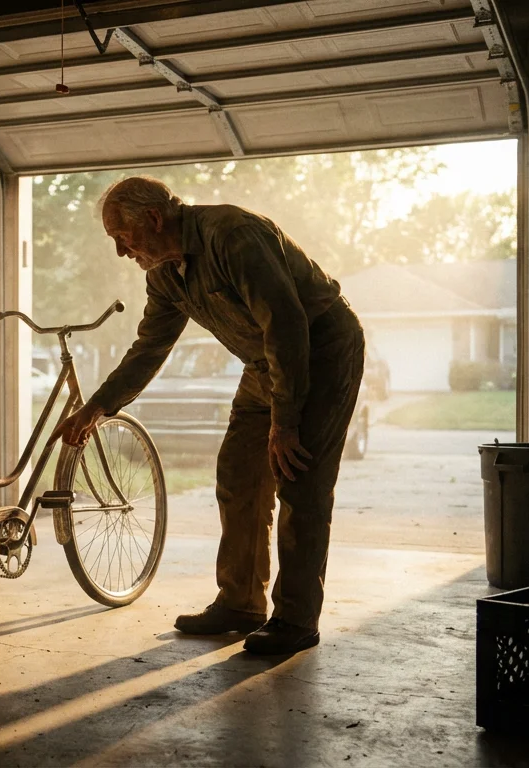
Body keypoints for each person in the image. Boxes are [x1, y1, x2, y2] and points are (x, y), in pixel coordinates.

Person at [54, 177, 366, 656]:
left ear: (155, 219)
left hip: (320, 350)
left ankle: (296, 620)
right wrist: (96, 407)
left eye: (123, 237)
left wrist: (285, 424)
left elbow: (286, 324)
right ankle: (241, 604)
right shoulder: (163, 273)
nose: (121, 252)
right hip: (265, 362)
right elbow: (149, 348)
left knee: (299, 479)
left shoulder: (233, 235)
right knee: (239, 474)